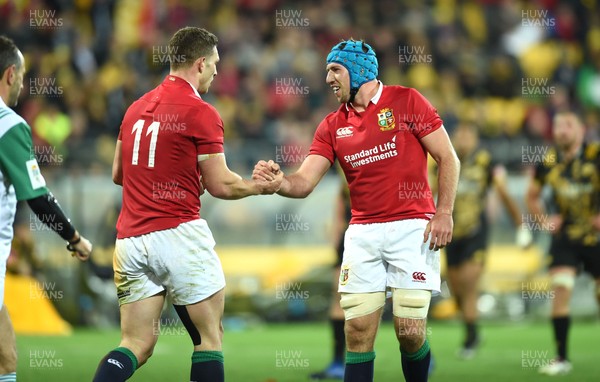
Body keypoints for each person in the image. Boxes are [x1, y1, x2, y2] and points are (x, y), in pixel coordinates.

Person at [254, 39, 460, 382]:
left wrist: (444, 212)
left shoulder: (407, 100)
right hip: (363, 233)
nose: (328, 79)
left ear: (359, 70)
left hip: (413, 227)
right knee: (358, 331)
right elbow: (303, 182)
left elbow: (448, 158)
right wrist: (279, 183)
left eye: (335, 70)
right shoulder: (332, 125)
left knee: (409, 331)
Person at [92, 27, 282, 382]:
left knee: (135, 342)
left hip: (130, 241)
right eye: (214, 64)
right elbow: (222, 185)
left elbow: (119, 173)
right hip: (178, 235)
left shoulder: (135, 108)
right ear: (199, 64)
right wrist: (260, 187)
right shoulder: (200, 111)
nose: (216, 71)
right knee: (208, 339)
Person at [0, 35, 92, 382]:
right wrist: (74, 237)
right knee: (5, 355)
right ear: (11, 74)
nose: (22, 84)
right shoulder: (8, 124)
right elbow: (37, 197)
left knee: (5, 350)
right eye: (22, 76)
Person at [443, 122, 531, 359]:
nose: (462, 140)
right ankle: (472, 328)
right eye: (459, 135)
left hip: (476, 232)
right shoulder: (443, 161)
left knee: (469, 281)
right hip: (450, 234)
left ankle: (470, 339)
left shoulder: (485, 163)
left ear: (474, 139)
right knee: (455, 288)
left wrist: (520, 225)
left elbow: (503, 195)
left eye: (467, 135)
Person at [525, 111, 600, 376]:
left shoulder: (595, 154)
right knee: (561, 288)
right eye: (557, 126)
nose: (562, 130)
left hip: (595, 237)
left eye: (568, 125)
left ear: (581, 129)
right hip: (566, 235)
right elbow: (532, 196)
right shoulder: (548, 160)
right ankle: (562, 358)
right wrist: (544, 221)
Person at [310, 180, 350, 381]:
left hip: (391, 231)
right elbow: (341, 201)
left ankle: (420, 354)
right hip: (353, 235)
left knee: (402, 298)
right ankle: (338, 362)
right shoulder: (345, 165)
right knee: (340, 298)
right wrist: (337, 236)